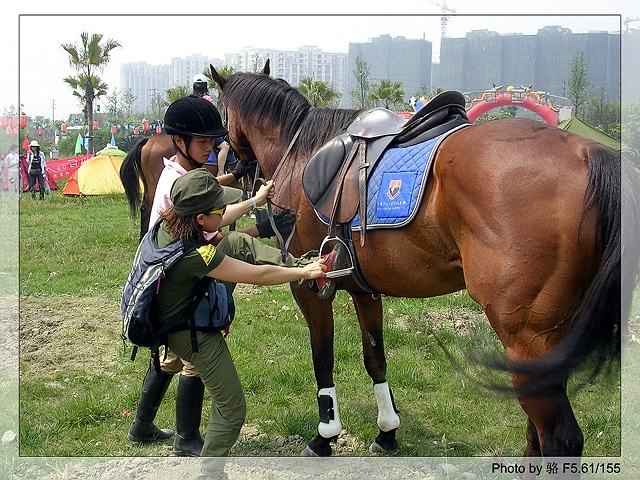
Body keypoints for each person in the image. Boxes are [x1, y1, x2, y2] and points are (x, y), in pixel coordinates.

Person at [128, 95, 345, 458]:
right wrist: (289, 261)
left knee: (172, 358)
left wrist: (255, 198)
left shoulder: (182, 182)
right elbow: (239, 258)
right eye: (204, 142)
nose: (212, 148)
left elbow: (215, 213)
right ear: (179, 141)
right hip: (179, 291)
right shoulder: (188, 219)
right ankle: (188, 440)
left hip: (171, 285)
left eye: (214, 142)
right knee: (197, 356)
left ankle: (143, 425)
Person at [151, 168, 329, 479]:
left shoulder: (170, 223)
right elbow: (257, 276)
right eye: (218, 208)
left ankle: (303, 263)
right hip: (189, 332)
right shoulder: (196, 256)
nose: (224, 212)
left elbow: (220, 225)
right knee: (233, 411)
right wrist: (303, 276)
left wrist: (255, 201)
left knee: (234, 240)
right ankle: (210, 474)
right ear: (201, 218)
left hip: (177, 308)